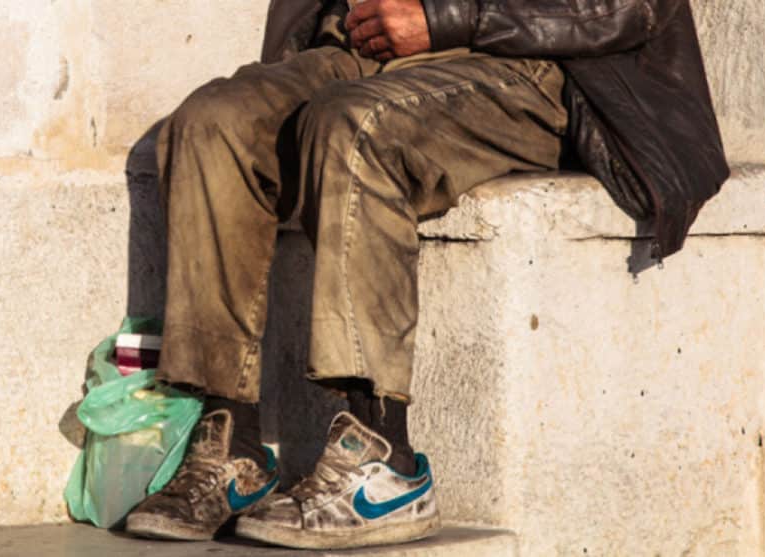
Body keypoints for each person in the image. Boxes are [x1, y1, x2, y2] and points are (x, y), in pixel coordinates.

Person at [124, 0, 728, 550]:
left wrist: (444, 19)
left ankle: (383, 458)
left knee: (354, 127)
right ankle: (233, 444)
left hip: (528, 64)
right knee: (211, 122)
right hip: (364, 55)